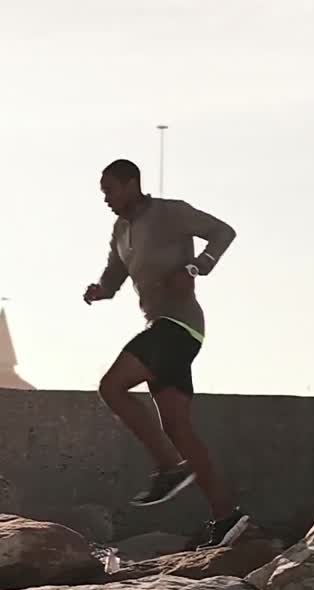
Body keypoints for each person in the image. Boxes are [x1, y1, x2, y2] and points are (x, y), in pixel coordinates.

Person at [83, 158, 249, 549]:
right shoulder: (120, 230)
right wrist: (100, 291)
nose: (105, 198)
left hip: (178, 325)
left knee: (112, 387)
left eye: (110, 189)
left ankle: (168, 466)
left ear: (131, 183)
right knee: (178, 428)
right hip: (163, 329)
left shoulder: (170, 213)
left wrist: (195, 267)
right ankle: (227, 517)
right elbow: (114, 275)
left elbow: (223, 232)